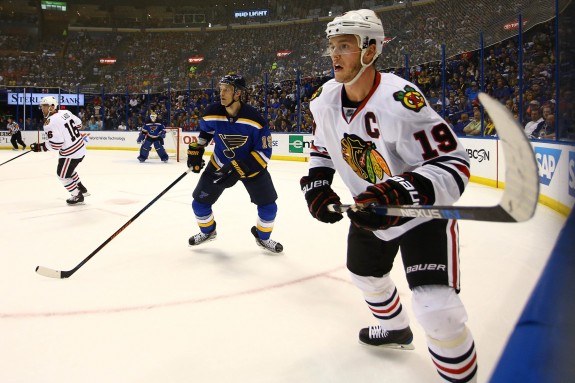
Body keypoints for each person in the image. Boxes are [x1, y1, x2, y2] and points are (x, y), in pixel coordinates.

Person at [300, 9, 476, 382]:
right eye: (332, 46)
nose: (335, 55)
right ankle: (395, 328)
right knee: (365, 275)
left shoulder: (400, 99)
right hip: (370, 210)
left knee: (437, 309)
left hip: (420, 214)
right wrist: (317, 183)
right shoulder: (325, 100)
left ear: (371, 50)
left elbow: (453, 165)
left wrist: (400, 190)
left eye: (344, 46)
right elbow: (322, 149)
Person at [186, 74, 283, 253]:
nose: (221, 94)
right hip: (219, 164)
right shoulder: (211, 112)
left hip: (251, 168)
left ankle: (263, 237)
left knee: (269, 207)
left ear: (238, 93)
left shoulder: (255, 120)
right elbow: (206, 132)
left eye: (226, 90)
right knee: (198, 204)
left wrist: (239, 167)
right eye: (220, 90)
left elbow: (264, 152)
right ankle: (208, 232)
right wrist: (197, 149)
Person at [30, 96, 89, 205]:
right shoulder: (65, 112)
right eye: (42, 106)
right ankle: (81, 187)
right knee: (69, 170)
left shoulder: (49, 124)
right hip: (80, 147)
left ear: (52, 107)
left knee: (62, 175)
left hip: (71, 153)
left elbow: (56, 145)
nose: (43, 109)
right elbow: (79, 124)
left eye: (45, 106)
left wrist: (40, 147)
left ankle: (77, 195)